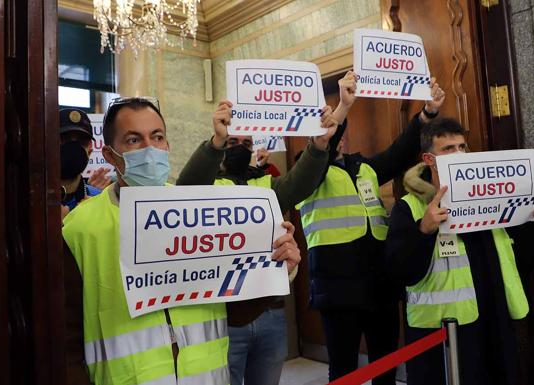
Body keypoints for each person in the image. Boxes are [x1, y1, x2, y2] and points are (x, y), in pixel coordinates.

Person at [62, 97, 302, 385]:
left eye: (158, 137)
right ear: (111, 155)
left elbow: (233, 311)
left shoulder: (197, 212)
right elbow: (66, 341)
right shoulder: (80, 228)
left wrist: (277, 268)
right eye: (134, 139)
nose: (150, 149)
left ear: (168, 146)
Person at [297, 71, 445, 384]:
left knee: (386, 367)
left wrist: (427, 113)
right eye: (323, 121)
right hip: (337, 291)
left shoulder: (361, 165)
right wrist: (343, 109)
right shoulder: (305, 171)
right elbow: (322, 149)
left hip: (380, 285)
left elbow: (398, 153)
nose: (331, 126)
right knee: (344, 371)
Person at [177, 100, 338, 385]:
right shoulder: (207, 184)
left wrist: (319, 145)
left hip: (270, 315)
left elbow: (299, 183)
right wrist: (216, 141)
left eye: (246, 142)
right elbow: (185, 189)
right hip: (225, 319)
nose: (239, 146)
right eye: (233, 140)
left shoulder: (265, 185)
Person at [385, 118, 534, 385]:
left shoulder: (493, 199)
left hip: (495, 324)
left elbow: (525, 259)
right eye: (448, 149)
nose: (459, 154)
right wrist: (423, 231)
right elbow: (399, 271)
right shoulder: (410, 208)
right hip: (444, 334)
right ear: (429, 159)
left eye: (463, 147)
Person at [59, 108, 102, 219]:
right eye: (64, 140)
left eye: (81, 142)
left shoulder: (99, 200)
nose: (72, 148)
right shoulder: (35, 202)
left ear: (89, 151)